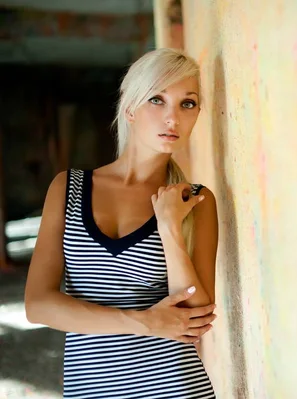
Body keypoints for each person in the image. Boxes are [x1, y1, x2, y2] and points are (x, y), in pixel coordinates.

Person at [24, 48, 218, 399]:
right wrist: (144, 321)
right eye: (157, 100)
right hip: (90, 388)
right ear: (130, 108)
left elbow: (194, 320)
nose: (172, 117)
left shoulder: (195, 200)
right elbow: (38, 304)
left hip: (173, 387)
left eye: (187, 104)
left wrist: (170, 227)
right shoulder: (68, 189)